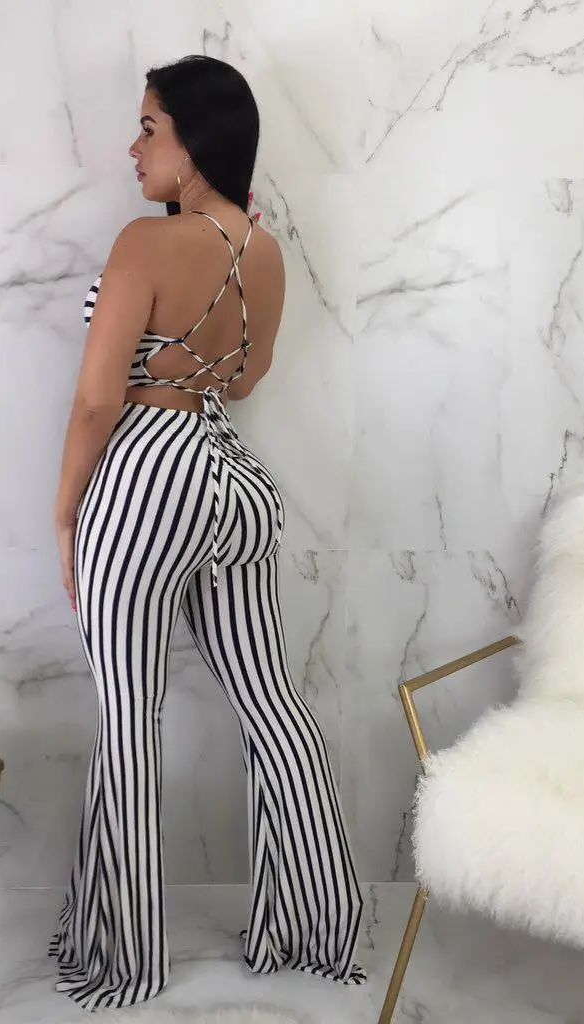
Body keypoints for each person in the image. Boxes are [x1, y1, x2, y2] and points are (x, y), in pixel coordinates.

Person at [48, 54, 365, 1012]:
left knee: (128, 718)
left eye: (149, 127)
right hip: (235, 481)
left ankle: (124, 957)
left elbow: (98, 397)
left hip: (146, 479)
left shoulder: (146, 241)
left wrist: (65, 510)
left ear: (194, 141)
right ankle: (316, 929)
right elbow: (247, 378)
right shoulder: (264, 251)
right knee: (274, 705)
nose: (133, 147)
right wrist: (183, 372)